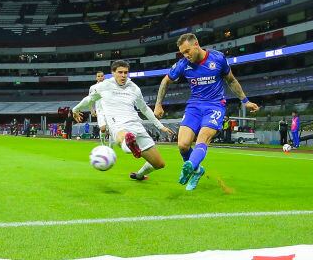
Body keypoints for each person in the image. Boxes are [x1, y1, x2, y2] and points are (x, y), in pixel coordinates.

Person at [154, 33, 259, 191]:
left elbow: (231, 80)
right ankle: (197, 171)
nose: (186, 55)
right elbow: (165, 80)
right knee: (182, 145)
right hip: (194, 107)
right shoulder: (183, 64)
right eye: (183, 53)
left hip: (215, 106)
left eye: (188, 51)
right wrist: (158, 104)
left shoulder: (218, 58)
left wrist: (246, 101)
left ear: (196, 44)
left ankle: (190, 165)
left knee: (202, 138)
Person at [73, 60, 175, 182]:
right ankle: (131, 146)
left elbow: (144, 109)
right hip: (118, 125)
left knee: (159, 164)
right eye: (120, 72)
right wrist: (75, 109)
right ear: (113, 73)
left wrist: (160, 126)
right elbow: (89, 99)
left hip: (137, 125)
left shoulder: (134, 88)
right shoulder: (104, 86)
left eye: (126, 72)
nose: (123, 75)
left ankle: (139, 174)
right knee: (124, 136)